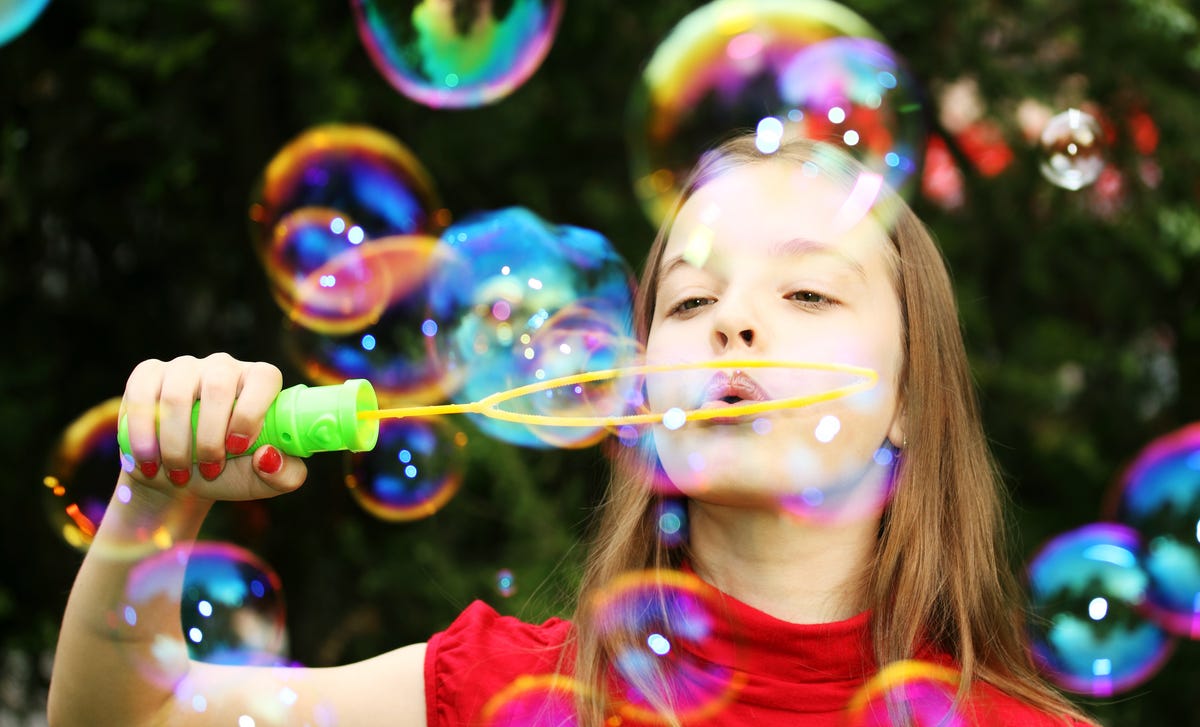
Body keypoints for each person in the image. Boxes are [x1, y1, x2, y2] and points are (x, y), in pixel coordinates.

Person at [47, 134, 1096, 727]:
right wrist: (159, 500)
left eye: (809, 293)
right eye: (690, 301)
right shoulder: (510, 692)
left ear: (909, 394)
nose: (733, 322)